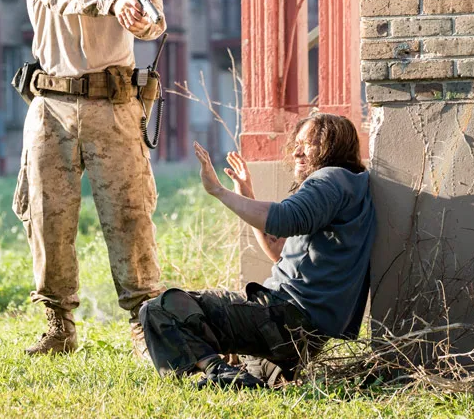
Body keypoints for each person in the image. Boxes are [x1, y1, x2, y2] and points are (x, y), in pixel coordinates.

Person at [14, 0, 167, 357]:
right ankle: (58, 325)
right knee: (47, 218)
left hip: (114, 105)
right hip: (53, 107)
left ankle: (145, 324)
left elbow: (154, 18)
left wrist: (140, 15)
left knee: (130, 216)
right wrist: (111, 0)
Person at [140, 113, 375, 389]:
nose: (297, 152)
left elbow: (284, 218)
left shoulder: (329, 179)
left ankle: (216, 370)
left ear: (331, 147)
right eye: (297, 144)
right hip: (302, 335)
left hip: (283, 317)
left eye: (308, 144)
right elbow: (279, 250)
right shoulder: (352, 187)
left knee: (159, 309)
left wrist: (218, 191)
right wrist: (247, 195)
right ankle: (249, 374)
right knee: (252, 373)